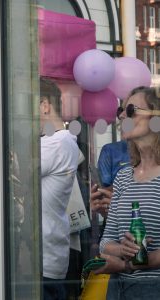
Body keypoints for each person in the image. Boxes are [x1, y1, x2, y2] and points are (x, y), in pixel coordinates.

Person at [95, 86, 160, 299]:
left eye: (131, 109)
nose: (122, 115)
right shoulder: (123, 176)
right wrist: (124, 251)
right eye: (120, 111)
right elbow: (106, 242)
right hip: (120, 290)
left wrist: (126, 264)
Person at [39, 77, 79, 300]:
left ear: (45, 106)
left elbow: (14, 165)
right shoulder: (46, 142)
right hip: (41, 258)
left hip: (44, 262)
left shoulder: (59, 142)